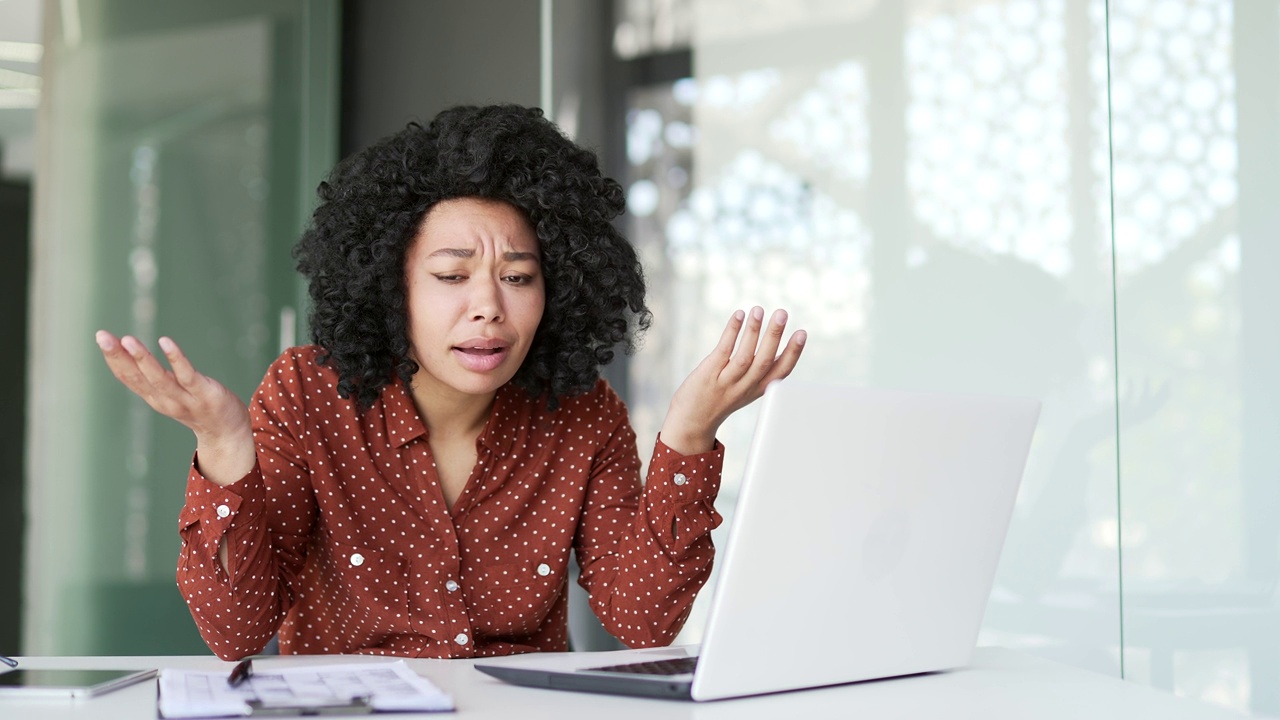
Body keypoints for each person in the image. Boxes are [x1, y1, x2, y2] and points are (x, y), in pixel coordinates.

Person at [96, 104, 805, 661]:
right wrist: (222, 443)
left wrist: (689, 435)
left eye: (518, 277)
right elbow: (235, 632)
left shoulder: (581, 412)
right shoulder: (308, 396)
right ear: (389, 285)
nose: (488, 305)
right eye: (451, 275)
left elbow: (645, 621)